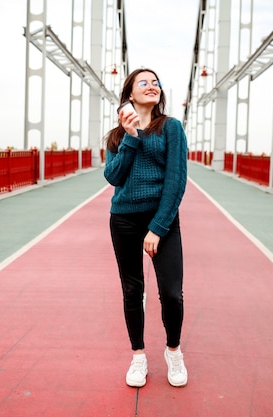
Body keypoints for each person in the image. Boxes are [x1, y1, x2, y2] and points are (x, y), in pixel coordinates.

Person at [103, 68, 188, 388]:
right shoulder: (116, 135)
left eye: (156, 83)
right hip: (123, 218)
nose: (152, 86)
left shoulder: (171, 128)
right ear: (130, 93)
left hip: (161, 220)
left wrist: (157, 227)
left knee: (172, 293)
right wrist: (131, 138)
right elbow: (114, 178)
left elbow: (176, 180)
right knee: (131, 291)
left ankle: (174, 352)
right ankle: (138, 357)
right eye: (144, 82)